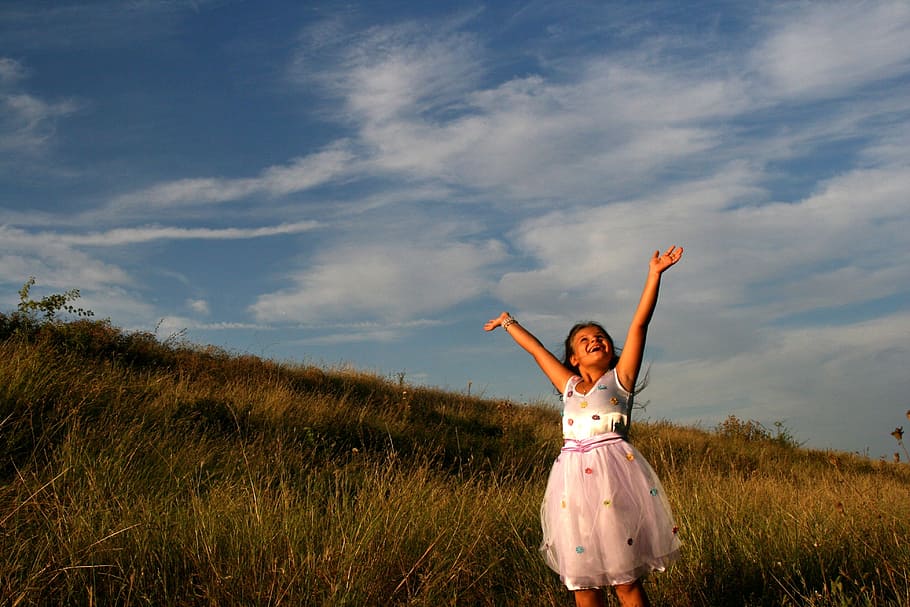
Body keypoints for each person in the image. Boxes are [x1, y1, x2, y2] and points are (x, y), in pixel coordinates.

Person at [484, 245, 684, 607]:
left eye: (600, 337)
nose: (595, 340)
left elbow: (639, 324)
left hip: (614, 479)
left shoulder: (620, 379)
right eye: (584, 340)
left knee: (625, 579)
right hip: (572, 484)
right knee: (582, 581)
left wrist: (654, 275)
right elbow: (537, 350)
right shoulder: (569, 385)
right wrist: (508, 322)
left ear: (610, 349)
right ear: (574, 358)